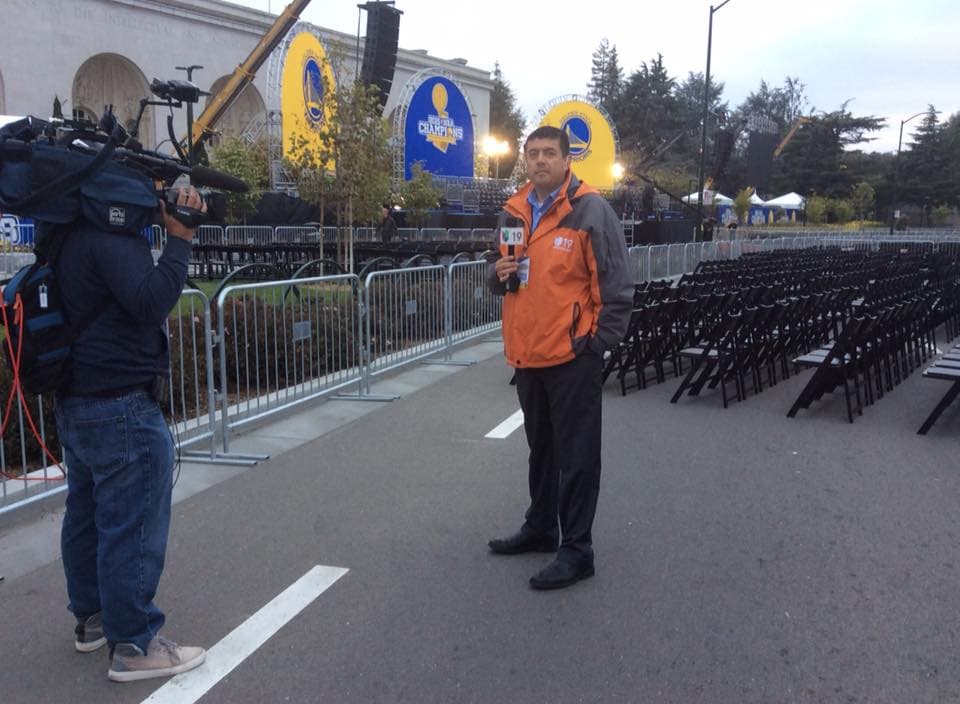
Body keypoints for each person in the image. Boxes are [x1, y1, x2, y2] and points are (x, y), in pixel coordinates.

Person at [55, 187, 207, 682]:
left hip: (78, 400)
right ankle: (135, 643)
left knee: (86, 511)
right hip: (119, 403)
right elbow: (151, 301)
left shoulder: (68, 235)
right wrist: (180, 238)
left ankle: (93, 619)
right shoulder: (112, 237)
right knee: (131, 523)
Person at [486, 125, 633, 590]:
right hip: (528, 355)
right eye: (533, 154)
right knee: (542, 451)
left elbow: (615, 285)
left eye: (550, 153)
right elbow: (507, 278)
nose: (541, 161)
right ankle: (541, 527)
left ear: (568, 160)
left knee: (578, 456)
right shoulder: (514, 212)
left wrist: (594, 345)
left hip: (572, 356)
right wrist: (497, 275)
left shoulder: (590, 211)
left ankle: (577, 550)